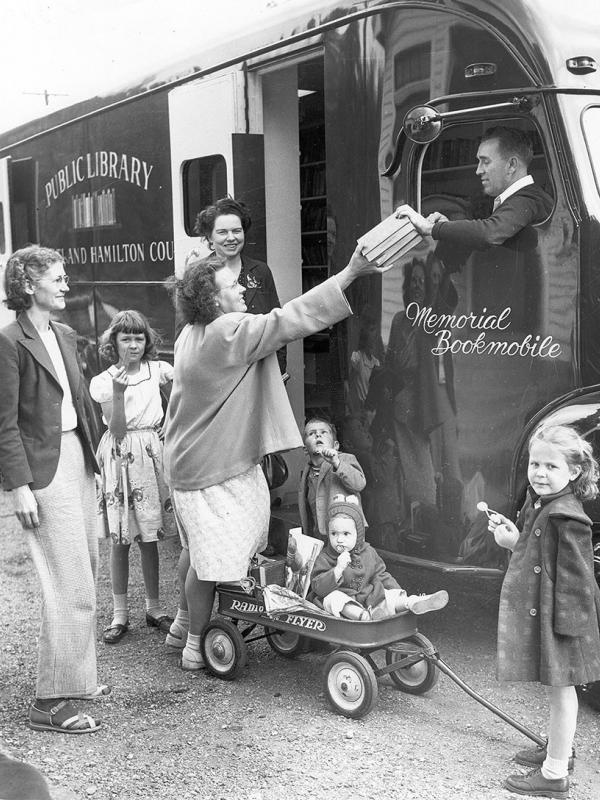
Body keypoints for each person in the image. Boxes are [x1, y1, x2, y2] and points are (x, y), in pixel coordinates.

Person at [163, 245, 382, 669]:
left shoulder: (191, 331)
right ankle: (194, 645)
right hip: (212, 468)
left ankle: (182, 624)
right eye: (232, 284)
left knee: (196, 550)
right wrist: (352, 271)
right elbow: (291, 318)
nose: (244, 287)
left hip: (188, 461)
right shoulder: (228, 330)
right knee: (212, 562)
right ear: (213, 300)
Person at [0, 246, 105, 734]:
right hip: (44, 470)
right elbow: (3, 424)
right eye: (57, 278)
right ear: (28, 286)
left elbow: (81, 401)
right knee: (67, 583)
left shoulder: (62, 332)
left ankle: (76, 681)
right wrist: (18, 485)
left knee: (88, 569)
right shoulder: (9, 341)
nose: (66, 284)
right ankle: (49, 701)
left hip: (77, 459)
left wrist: (97, 454)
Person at [488, 424, 600, 798]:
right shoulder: (542, 504)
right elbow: (539, 556)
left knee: (562, 691)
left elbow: (578, 579)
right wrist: (512, 540)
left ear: (573, 472)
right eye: (535, 464)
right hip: (553, 615)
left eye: (551, 467)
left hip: (564, 621)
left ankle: (554, 774)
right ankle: (558, 749)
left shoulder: (568, 518)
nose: (539, 473)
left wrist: (567, 630)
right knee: (555, 692)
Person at [89, 310, 177, 644]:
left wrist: (171, 422)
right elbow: (117, 428)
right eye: (126, 338)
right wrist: (118, 391)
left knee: (150, 536)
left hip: (151, 451)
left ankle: (154, 608)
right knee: (122, 539)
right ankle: (119, 614)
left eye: (139, 338)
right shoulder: (105, 380)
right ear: (114, 342)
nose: (133, 344)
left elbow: (184, 387)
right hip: (121, 453)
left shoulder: (158, 370)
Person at [395, 126, 553, 251]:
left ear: (511, 165)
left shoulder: (526, 200)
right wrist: (448, 227)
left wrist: (431, 228)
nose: (478, 170)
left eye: (485, 162)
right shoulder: (527, 198)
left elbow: (489, 233)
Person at [309, 495, 449, 620]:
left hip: (369, 597)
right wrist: (337, 570)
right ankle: (364, 617)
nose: (339, 540)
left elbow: (381, 575)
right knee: (333, 599)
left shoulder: (368, 552)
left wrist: (396, 592)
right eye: (334, 533)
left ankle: (413, 602)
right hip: (345, 599)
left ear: (358, 534)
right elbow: (318, 587)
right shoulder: (325, 557)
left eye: (346, 534)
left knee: (388, 596)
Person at [194, 196, 287, 375]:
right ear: (209, 238)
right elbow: (187, 335)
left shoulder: (261, 271)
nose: (231, 238)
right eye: (222, 232)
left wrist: (279, 373)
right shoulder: (199, 274)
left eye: (237, 231)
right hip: (220, 375)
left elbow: (278, 327)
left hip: (262, 372)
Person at [298, 417, 366, 540]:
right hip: (321, 535)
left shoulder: (344, 459)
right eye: (311, 434)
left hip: (346, 534)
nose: (318, 435)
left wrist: (337, 463)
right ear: (305, 450)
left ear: (335, 445)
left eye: (324, 432)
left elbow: (359, 484)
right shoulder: (306, 472)